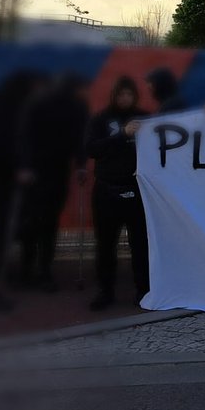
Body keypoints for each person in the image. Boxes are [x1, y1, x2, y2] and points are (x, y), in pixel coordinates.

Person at [16, 72, 90, 290]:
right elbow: (25, 136)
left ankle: (35, 270)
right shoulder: (72, 105)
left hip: (49, 169)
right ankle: (37, 270)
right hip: (46, 169)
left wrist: (81, 163)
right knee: (42, 222)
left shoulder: (43, 102)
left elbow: (79, 138)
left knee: (40, 221)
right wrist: (81, 164)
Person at [85, 76, 149, 309]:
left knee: (141, 244)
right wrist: (122, 135)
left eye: (129, 94)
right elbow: (91, 149)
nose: (125, 99)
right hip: (106, 190)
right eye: (121, 94)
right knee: (105, 244)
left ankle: (144, 290)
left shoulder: (146, 118)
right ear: (114, 95)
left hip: (137, 190)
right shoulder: (100, 119)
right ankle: (105, 291)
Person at [0, 70, 39, 286]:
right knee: (5, 219)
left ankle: (2, 265)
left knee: (5, 219)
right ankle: (2, 265)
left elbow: (18, 137)